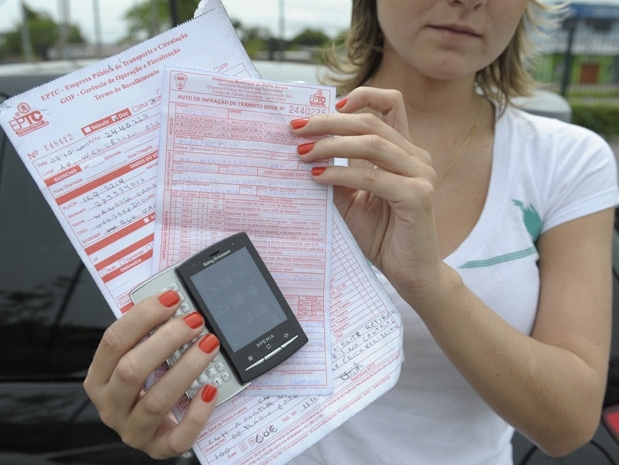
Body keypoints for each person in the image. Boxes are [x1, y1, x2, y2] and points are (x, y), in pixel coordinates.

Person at [83, 0, 619, 464]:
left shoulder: (567, 161)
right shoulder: (264, 132)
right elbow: (188, 348)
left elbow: (567, 423)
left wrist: (429, 283)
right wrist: (156, 401)